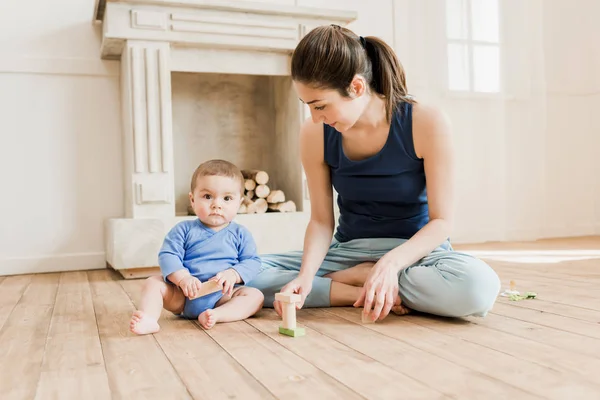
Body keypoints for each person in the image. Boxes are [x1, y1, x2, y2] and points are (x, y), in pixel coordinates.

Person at [246, 25, 501, 322]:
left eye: (321, 106)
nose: (315, 118)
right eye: (308, 107)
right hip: (348, 252)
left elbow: (442, 222)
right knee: (240, 273)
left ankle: (349, 284)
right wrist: (305, 276)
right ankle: (358, 288)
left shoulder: (425, 121)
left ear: (356, 87)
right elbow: (320, 221)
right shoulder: (315, 132)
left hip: (415, 256)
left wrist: (390, 264)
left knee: (476, 287)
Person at [130, 159, 264, 334]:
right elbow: (168, 256)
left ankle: (217, 314)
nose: (217, 204)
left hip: (221, 295)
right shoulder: (183, 230)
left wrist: (234, 274)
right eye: (208, 196)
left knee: (255, 296)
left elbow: (252, 261)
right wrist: (183, 278)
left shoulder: (240, 233)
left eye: (227, 198)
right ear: (193, 200)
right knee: (153, 283)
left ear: (239, 203)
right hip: (183, 296)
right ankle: (149, 318)